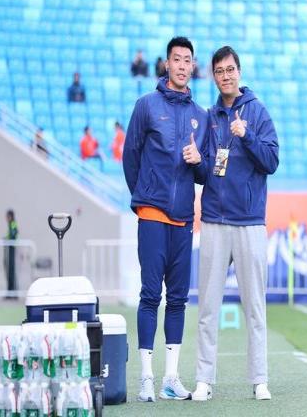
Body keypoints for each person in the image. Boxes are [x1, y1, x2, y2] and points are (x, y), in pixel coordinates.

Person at [192, 46, 279, 402]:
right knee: (207, 307)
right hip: (214, 219)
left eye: (230, 69)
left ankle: (259, 380)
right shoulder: (209, 117)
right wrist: (196, 161)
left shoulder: (257, 112)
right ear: (213, 76)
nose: (225, 76)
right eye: (219, 71)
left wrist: (247, 135)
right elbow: (205, 171)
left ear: (239, 72)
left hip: (249, 222)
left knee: (255, 308)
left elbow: (271, 161)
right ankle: (203, 380)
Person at [123, 36, 207, 403]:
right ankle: (146, 377)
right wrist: (145, 195)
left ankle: (171, 378)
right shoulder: (146, 106)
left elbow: (205, 173)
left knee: (177, 299)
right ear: (166, 64)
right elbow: (130, 156)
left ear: (192, 66)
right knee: (149, 295)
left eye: (188, 60)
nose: (182, 65)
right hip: (153, 214)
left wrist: (198, 161)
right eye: (177, 59)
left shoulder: (201, 115)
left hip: (184, 219)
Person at [4, 210, 18, 297]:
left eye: (7, 216)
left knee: (11, 273)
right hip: (10, 250)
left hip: (12, 250)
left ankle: (12, 293)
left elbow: (12, 236)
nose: (6, 218)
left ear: (10, 216)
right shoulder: (10, 225)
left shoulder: (13, 225)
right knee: (9, 272)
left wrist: (7, 239)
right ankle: (10, 293)